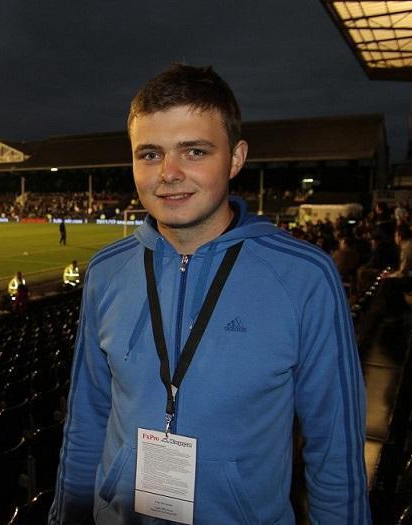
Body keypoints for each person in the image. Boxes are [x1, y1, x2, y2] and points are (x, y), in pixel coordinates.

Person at [50, 64, 369, 524]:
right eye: (150, 154)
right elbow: (87, 419)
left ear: (236, 158)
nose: (169, 173)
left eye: (194, 151)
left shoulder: (304, 277)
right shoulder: (106, 271)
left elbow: (335, 449)